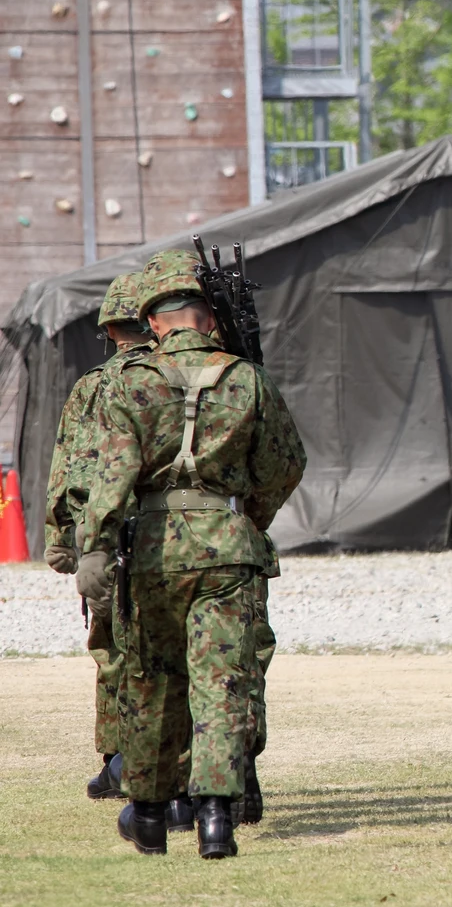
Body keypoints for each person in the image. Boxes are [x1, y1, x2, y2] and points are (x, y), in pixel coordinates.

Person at [74, 250, 306, 858]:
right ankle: (216, 820)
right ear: (206, 319)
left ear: (153, 324)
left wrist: (92, 548)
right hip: (228, 551)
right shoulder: (245, 377)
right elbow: (285, 464)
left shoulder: (128, 382)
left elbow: (111, 477)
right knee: (221, 682)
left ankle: (149, 813)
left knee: (153, 680)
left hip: (152, 552)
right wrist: (248, 516)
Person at [43, 271, 152, 807]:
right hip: (171, 536)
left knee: (113, 651)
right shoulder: (172, 377)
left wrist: (63, 541)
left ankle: (118, 760)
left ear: (110, 328)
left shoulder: (94, 386)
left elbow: (67, 470)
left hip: (106, 540)